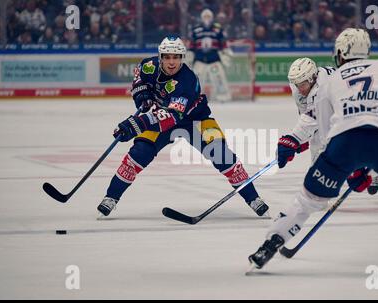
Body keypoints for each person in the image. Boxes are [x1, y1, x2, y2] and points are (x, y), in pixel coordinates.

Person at [248, 28, 378, 272]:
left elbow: (325, 129)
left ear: (339, 53)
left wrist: (347, 164)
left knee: (308, 200)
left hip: (345, 143)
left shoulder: (331, 81)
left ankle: (271, 243)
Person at [97, 36, 269, 218]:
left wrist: (135, 125)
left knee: (222, 154)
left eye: (176, 57)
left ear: (183, 58)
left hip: (194, 120)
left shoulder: (187, 80)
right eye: (167, 57)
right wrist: (143, 97)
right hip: (159, 119)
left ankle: (253, 198)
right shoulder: (147, 65)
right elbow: (139, 83)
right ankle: (111, 197)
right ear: (160, 57)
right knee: (138, 153)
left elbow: (171, 116)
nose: (172, 62)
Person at [278, 57, 378, 194]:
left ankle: (372, 171)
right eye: (296, 84)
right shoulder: (299, 86)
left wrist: (295, 138)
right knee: (317, 150)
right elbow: (307, 116)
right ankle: (319, 188)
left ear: (312, 78)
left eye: (302, 84)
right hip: (332, 110)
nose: (299, 88)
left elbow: (315, 115)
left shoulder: (323, 87)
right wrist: (304, 139)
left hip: (351, 112)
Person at [189, 9, 233, 102]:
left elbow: (223, 43)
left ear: (212, 17)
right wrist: (189, 56)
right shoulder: (196, 30)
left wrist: (226, 52)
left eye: (208, 16)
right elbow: (191, 45)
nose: (207, 18)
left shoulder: (217, 29)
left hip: (214, 59)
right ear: (201, 17)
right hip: (200, 59)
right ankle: (194, 98)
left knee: (219, 78)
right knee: (196, 80)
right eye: (205, 16)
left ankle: (222, 96)